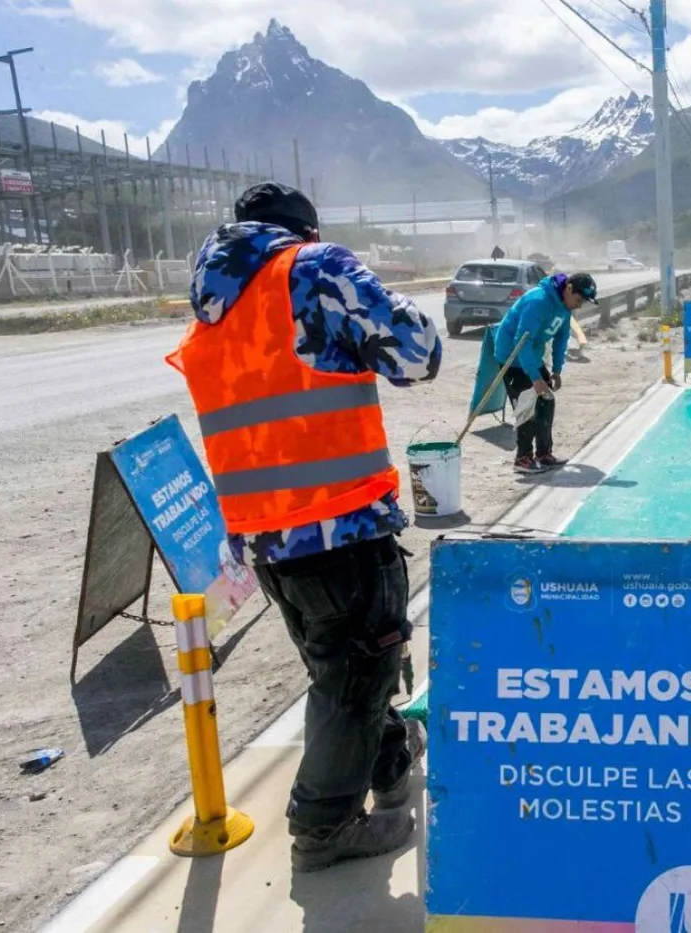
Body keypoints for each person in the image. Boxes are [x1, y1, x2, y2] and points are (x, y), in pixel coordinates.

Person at [166, 182, 442, 872]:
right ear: (302, 230)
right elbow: (418, 354)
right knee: (353, 676)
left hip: (269, 538)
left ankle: (386, 766)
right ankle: (323, 826)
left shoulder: (215, 303)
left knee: (348, 667)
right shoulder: (312, 268)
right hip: (339, 524)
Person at [493, 271, 597, 474]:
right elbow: (521, 341)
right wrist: (535, 378)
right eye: (578, 299)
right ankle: (522, 459)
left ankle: (544, 453)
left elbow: (561, 339)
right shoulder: (538, 300)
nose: (579, 305)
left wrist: (557, 370)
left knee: (546, 400)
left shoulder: (565, 308)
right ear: (568, 289)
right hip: (512, 358)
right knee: (527, 406)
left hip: (532, 355)